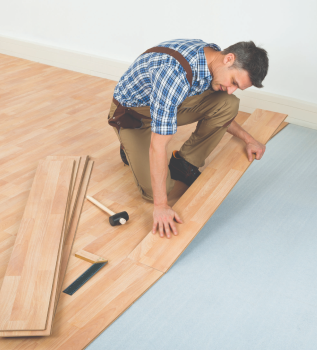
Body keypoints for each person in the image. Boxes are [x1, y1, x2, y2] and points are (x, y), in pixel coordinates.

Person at [107, 39, 268, 239]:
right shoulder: (174, 74)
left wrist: (248, 138)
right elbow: (157, 147)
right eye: (234, 82)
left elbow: (222, 113)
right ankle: (129, 148)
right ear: (229, 59)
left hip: (165, 103)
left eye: (238, 87)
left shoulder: (212, 60)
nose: (231, 89)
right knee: (156, 191)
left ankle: (184, 163)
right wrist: (161, 206)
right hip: (133, 117)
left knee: (227, 103)